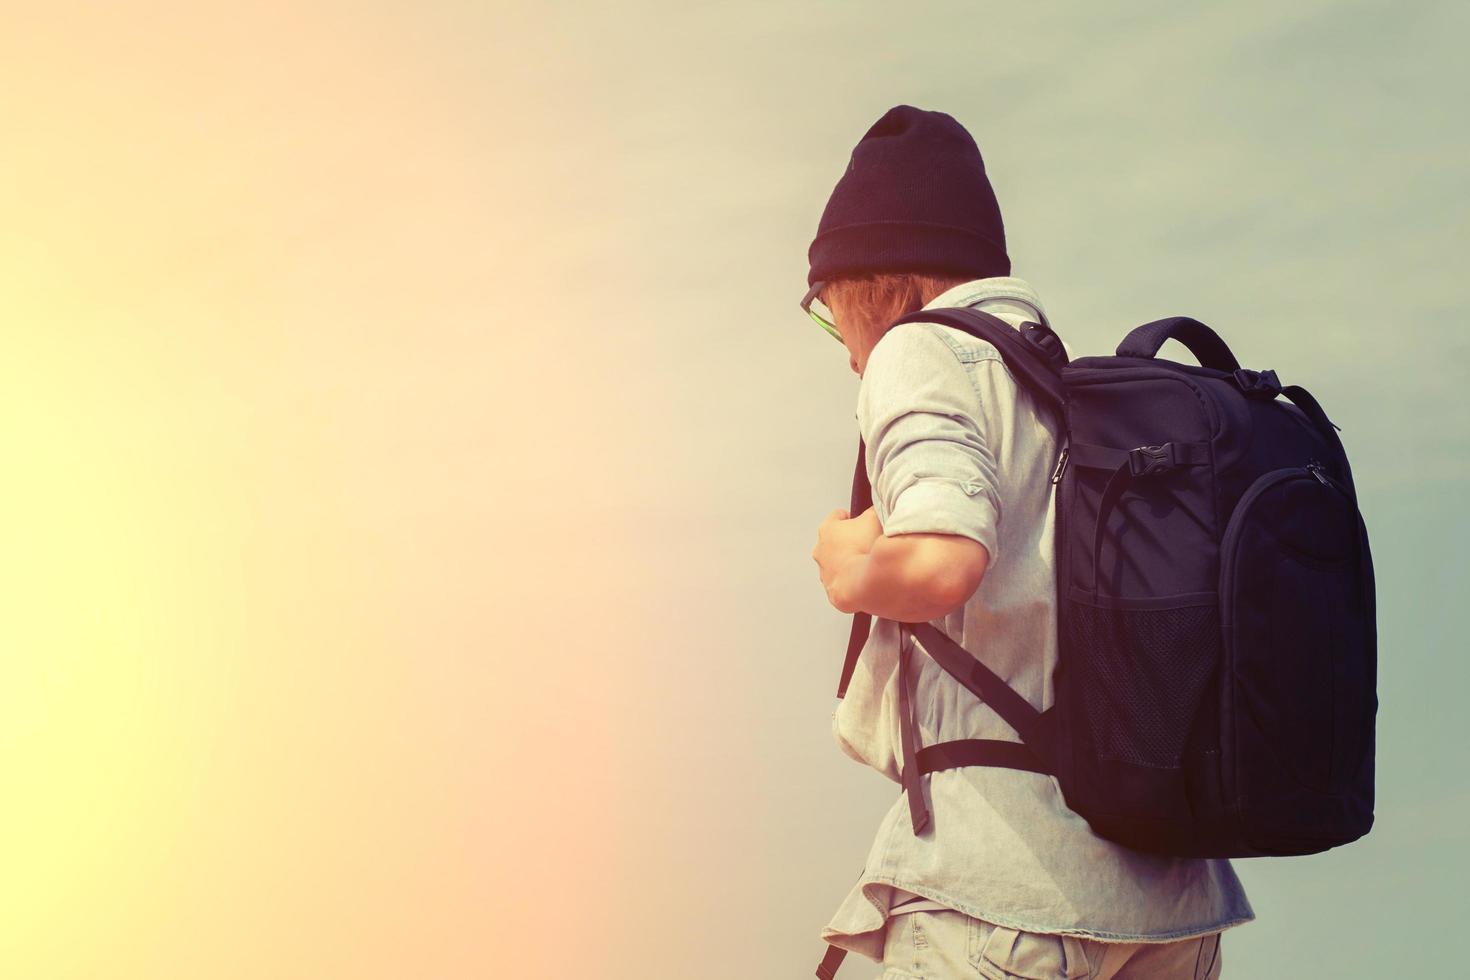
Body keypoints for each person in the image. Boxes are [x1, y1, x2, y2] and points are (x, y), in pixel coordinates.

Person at [804, 104, 1254, 980]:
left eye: (830, 317)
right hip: (1168, 911)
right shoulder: (1067, 384)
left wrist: (847, 565)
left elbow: (942, 560)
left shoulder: (920, 352)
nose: (850, 355)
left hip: (1008, 902)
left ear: (870, 285)